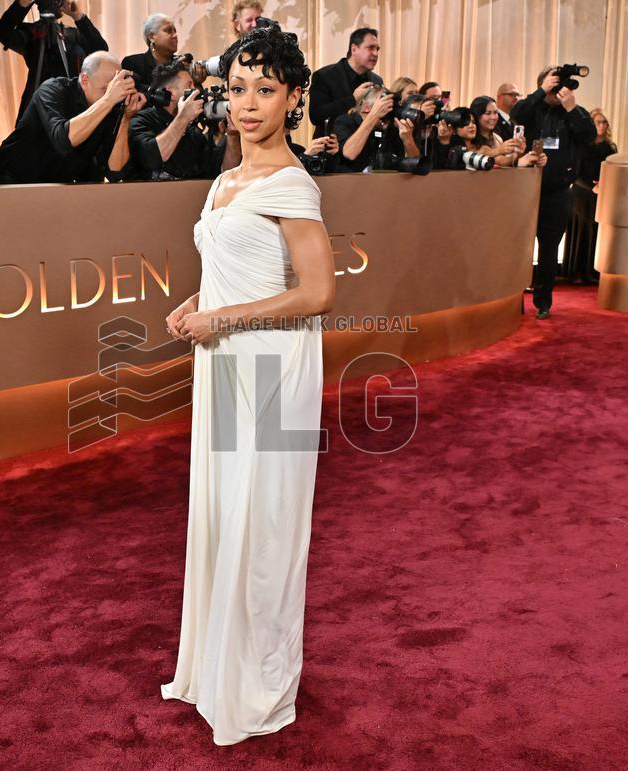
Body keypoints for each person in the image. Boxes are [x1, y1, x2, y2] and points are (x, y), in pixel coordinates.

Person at [161, 25, 334, 746]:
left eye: (266, 89)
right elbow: (230, 266)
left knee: (261, 522)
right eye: (238, 89)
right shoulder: (228, 176)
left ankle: (260, 682)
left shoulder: (294, 183)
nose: (249, 103)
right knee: (223, 509)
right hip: (226, 358)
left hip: (270, 365)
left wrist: (222, 316)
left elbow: (319, 292)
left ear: (294, 97)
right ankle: (217, 666)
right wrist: (197, 306)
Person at [511, 64, 595, 319]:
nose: (555, 93)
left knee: (548, 249)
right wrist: (540, 92)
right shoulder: (532, 109)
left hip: (558, 191)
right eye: (552, 87)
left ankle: (543, 301)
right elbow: (516, 114)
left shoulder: (574, 113)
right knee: (517, 246)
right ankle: (511, 298)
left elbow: (589, 135)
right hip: (524, 190)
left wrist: (570, 108)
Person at [0, 51, 144, 184]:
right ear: (85, 80)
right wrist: (109, 99)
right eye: (106, 88)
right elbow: (63, 140)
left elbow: (115, 172)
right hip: (15, 179)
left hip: (59, 187)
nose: (112, 93)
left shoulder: (111, 107)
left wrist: (126, 118)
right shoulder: (53, 89)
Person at [0, 0, 107, 123]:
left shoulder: (72, 35)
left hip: (72, 109)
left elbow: (101, 49)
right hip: (39, 110)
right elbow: (2, 32)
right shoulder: (32, 33)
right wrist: (22, 4)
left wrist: (78, 16)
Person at [127, 58, 223, 181]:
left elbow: (216, 174)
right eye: (189, 86)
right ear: (170, 93)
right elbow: (152, 158)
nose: (197, 90)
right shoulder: (141, 120)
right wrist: (184, 117)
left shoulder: (193, 132)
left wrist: (232, 137)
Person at [564, 107, 616, 284]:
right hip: (582, 192)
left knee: (595, 231)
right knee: (581, 231)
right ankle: (577, 272)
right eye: (598, 122)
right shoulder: (583, 145)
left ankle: (592, 271)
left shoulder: (610, 147)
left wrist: (603, 186)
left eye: (604, 122)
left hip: (601, 192)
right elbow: (576, 171)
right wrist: (592, 187)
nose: (601, 125)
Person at [308, 26, 382, 137]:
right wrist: (352, 99)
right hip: (330, 148)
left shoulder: (376, 80)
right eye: (370, 48)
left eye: (377, 49)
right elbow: (316, 116)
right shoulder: (324, 76)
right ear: (354, 49)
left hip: (366, 150)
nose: (375, 53)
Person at [334, 84, 418, 172]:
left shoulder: (391, 126)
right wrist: (374, 116)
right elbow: (349, 154)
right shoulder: (345, 121)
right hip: (351, 182)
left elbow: (415, 166)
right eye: (382, 105)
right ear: (365, 106)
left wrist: (408, 138)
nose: (387, 110)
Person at [121, 13, 177, 87]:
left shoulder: (182, 64)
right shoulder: (133, 64)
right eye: (168, 31)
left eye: (175, 31)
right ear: (151, 37)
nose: (175, 35)